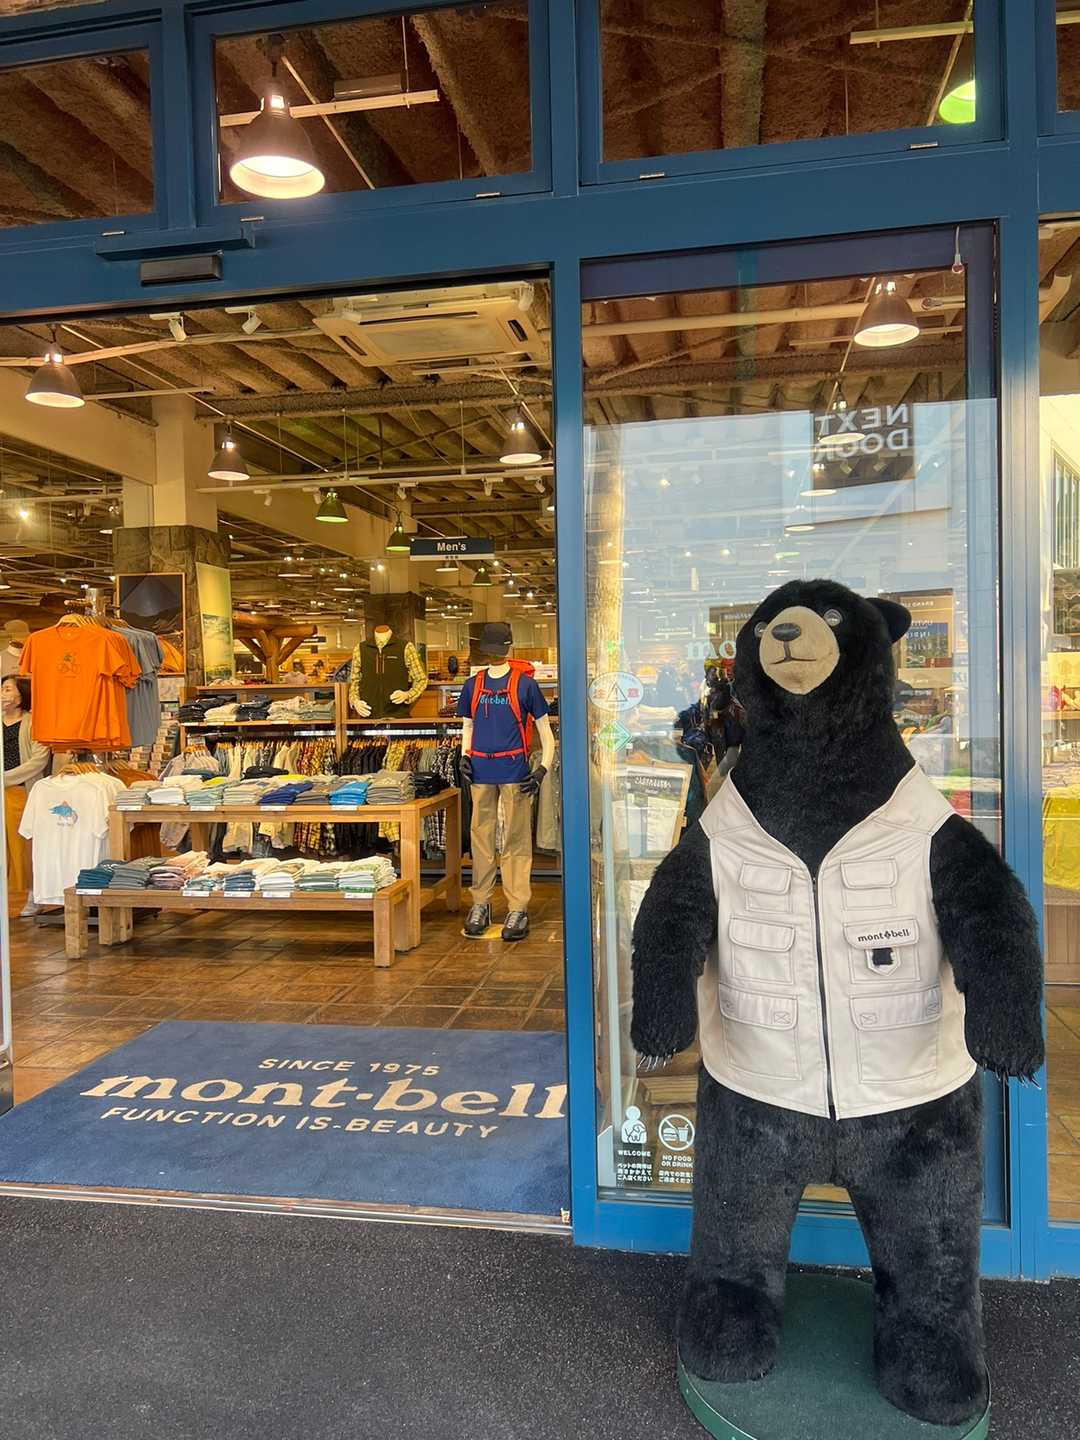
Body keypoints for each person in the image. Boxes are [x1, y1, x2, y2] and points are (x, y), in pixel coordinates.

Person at [2, 676, 49, 916]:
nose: (2, 694)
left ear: (21, 696)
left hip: (21, 791)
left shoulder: (33, 723)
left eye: (7, 689)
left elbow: (39, 761)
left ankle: (32, 894)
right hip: (3, 791)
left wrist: (5, 777)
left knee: (24, 845)